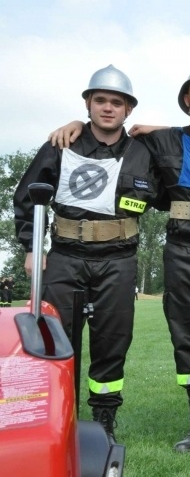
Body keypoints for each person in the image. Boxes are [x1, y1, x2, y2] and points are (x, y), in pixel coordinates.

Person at [48, 66, 190, 459]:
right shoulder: (162, 142)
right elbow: (112, 139)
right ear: (187, 101)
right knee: (186, 336)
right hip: (180, 249)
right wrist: (76, 123)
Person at [14, 65, 161, 442]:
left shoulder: (144, 151)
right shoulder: (62, 143)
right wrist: (33, 247)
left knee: (112, 341)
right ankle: (58, 420)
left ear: (129, 109)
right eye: (101, 101)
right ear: (88, 104)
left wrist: (158, 130)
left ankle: (103, 423)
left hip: (119, 259)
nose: (108, 108)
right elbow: (29, 195)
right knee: (56, 339)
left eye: (117, 102)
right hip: (65, 256)